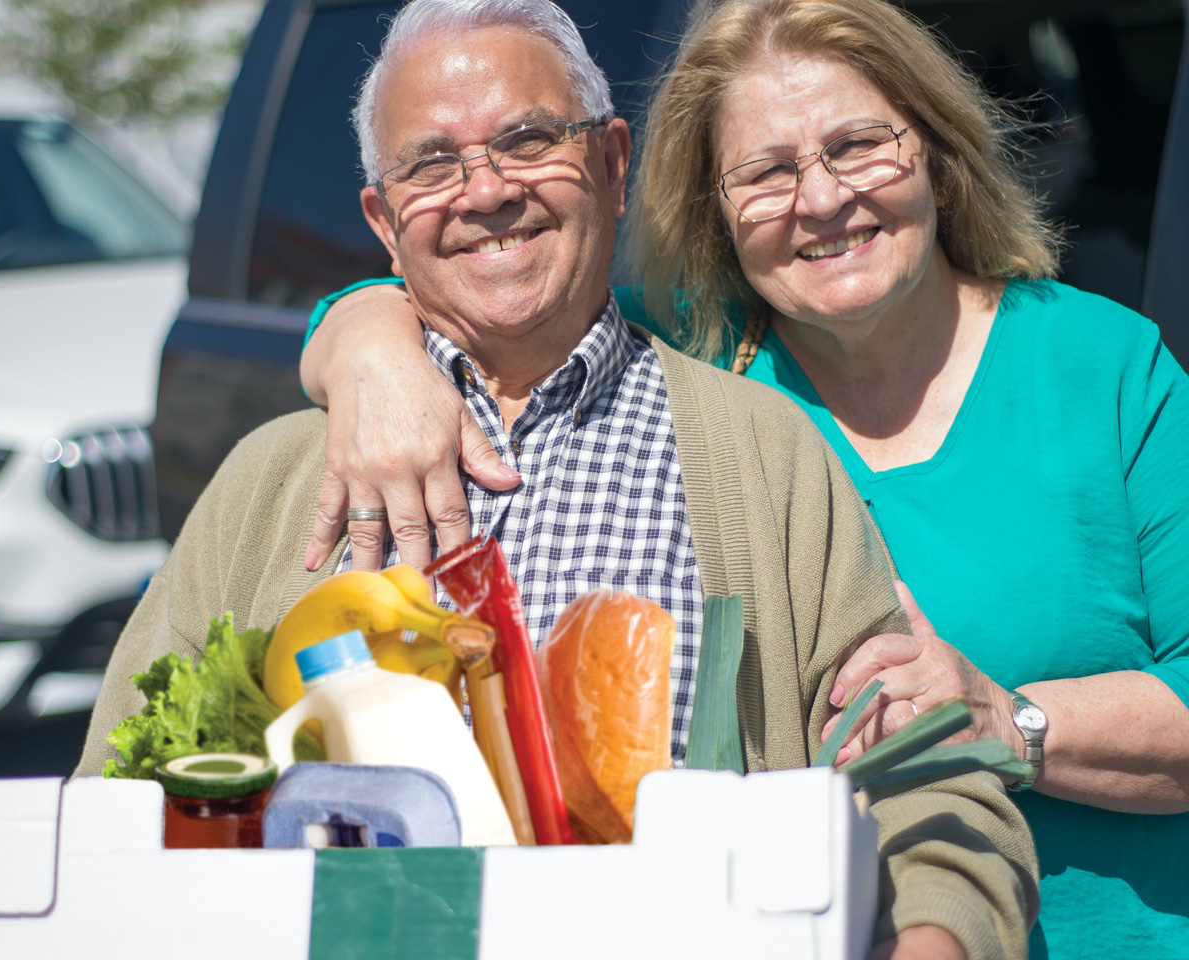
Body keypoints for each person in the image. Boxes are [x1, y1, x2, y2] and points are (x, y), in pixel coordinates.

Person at [76, 2, 1038, 957]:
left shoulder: (763, 452)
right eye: (431, 163)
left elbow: (929, 787)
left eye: (529, 139)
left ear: (614, 165)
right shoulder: (275, 478)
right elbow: (111, 809)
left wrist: (933, 938)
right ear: (382, 219)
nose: (485, 190)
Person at [297, 0, 1189, 958]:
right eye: (765, 172)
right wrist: (370, 351)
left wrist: (1010, 718)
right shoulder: (689, 358)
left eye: (858, 145)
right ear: (712, 208)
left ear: (934, 146)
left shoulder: (1102, 368)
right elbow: (486, 277)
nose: (821, 199)